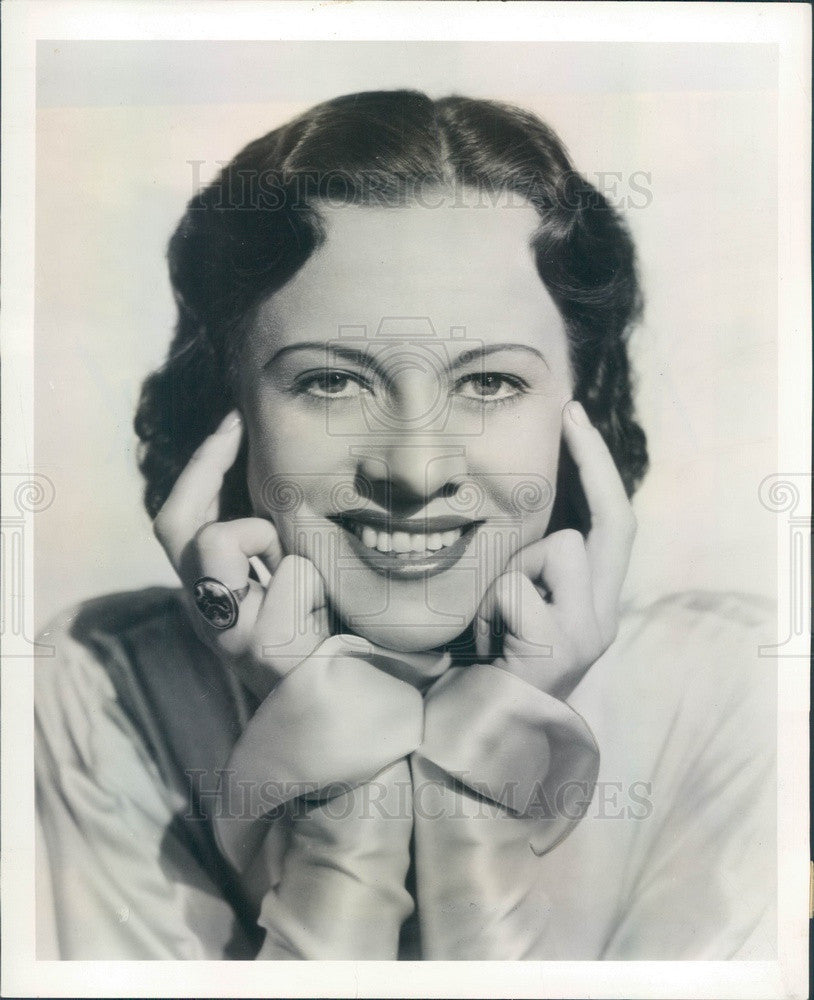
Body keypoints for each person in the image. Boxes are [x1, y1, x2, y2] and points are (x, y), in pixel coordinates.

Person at [35, 90, 775, 960]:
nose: (417, 471)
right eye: (331, 383)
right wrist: (341, 784)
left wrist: (491, 764)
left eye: (490, 383)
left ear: (584, 412)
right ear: (225, 411)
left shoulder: (745, 694)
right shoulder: (96, 690)